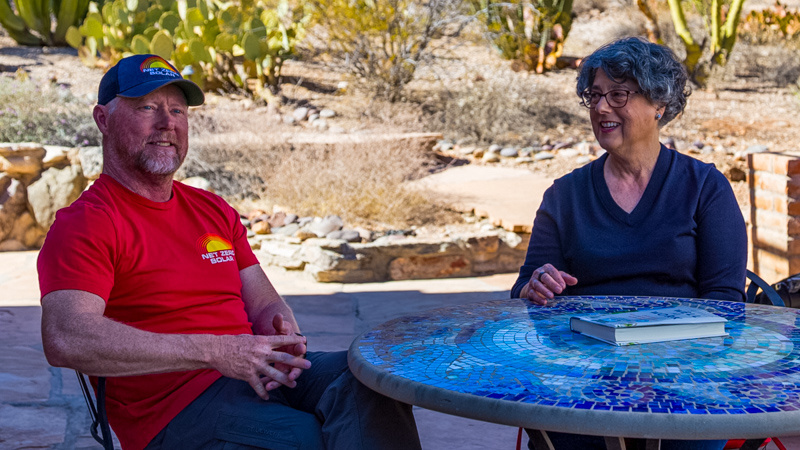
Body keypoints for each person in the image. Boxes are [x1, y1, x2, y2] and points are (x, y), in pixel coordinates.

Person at [37, 54, 421, 450]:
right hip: (175, 412)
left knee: (371, 379)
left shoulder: (211, 209)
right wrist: (216, 351)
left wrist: (279, 324)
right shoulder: (86, 223)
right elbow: (66, 337)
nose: (167, 123)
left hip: (254, 374)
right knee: (304, 437)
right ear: (103, 119)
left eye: (177, 110)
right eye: (147, 107)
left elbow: (263, 300)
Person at [511, 37, 746, 450]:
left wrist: (661, 365)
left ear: (659, 103)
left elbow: (726, 303)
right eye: (594, 96)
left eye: (618, 94)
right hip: (582, 375)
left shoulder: (705, 187)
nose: (601, 108)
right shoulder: (564, 196)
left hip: (685, 378)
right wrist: (537, 286)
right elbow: (525, 289)